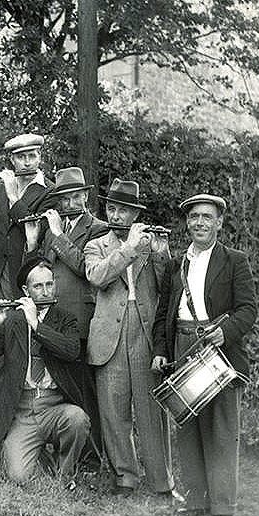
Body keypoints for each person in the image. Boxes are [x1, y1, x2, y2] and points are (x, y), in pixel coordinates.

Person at [152, 194, 256, 516]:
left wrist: (223, 332)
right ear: (187, 222)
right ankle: (196, 502)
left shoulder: (234, 261)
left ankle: (222, 510)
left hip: (219, 350)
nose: (200, 222)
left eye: (207, 217)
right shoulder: (175, 264)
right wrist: (161, 349)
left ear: (219, 222)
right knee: (189, 427)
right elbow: (163, 314)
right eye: (194, 216)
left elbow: (248, 310)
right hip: (183, 344)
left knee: (221, 430)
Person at [84, 178, 177, 498]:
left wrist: (162, 255)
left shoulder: (149, 245)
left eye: (124, 210)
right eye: (112, 208)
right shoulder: (96, 244)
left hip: (145, 332)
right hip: (109, 335)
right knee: (113, 410)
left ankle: (162, 482)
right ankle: (125, 476)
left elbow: (169, 288)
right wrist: (129, 248)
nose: (117, 215)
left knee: (152, 411)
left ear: (135, 214)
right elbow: (97, 276)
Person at [0, 133, 56, 451]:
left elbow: (32, 227)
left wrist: (11, 192)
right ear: (12, 160)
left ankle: (17, 433)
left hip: (26, 283)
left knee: (23, 358)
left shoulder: (49, 193)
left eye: (32, 156)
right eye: (21, 158)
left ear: (40, 157)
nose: (27, 162)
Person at [0, 258, 89, 483]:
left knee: (77, 419)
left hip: (54, 407)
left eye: (49, 284)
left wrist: (36, 325)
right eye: (38, 286)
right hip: (22, 410)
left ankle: (65, 475)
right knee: (18, 476)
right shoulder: (13, 321)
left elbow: (70, 351)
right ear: (25, 290)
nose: (45, 292)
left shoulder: (66, 319)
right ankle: (43, 456)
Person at [23, 166, 107, 465]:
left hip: (82, 322)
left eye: (76, 197)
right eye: (64, 199)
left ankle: (93, 457)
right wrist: (34, 243)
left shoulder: (98, 229)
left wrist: (57, 234)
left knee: (84, 392)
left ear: (86, 196)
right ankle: (59, 450)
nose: (70, 204)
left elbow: (86, 268)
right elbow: (41, 271)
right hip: (54, 320)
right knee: (61, 387)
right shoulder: (51, 230)